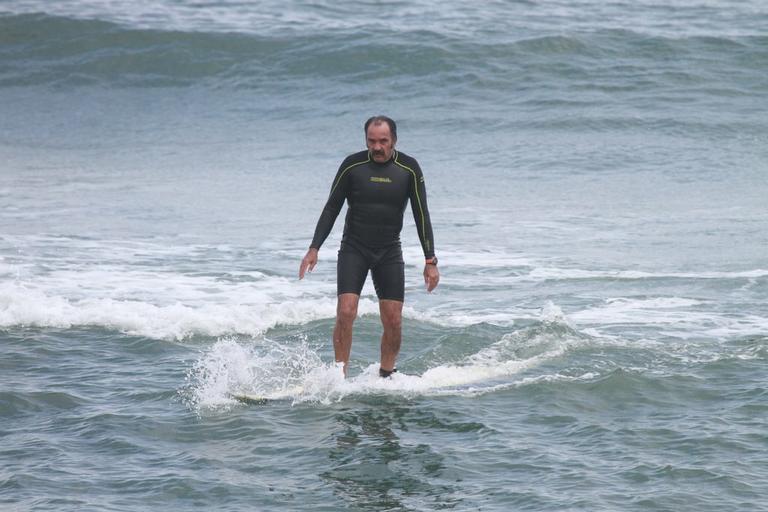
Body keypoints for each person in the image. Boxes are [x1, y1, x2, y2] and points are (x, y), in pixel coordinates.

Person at [299, 116, 439, 378]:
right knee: (346, 311)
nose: (377, 147)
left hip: (389, 251)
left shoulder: (409, 169)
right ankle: (339, 376)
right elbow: (332, 208)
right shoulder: (352, 165)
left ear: (394, 140)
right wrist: (314, 247)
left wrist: (430, 260)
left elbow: (422, 214)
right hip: (354, 248)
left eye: (383, 141)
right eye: (371, 141)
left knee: (393, 319)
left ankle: (386, 375)